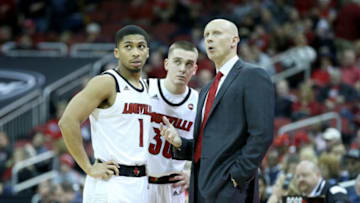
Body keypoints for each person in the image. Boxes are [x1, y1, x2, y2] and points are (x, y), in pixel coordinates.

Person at [161, 18, 275, 203]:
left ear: (234, 40)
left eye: (216, 33)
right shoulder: (206, 89)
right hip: (200, 188)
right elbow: (209, 146)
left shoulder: (253, 76)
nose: (209, 39)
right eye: (206, 35)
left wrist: (238, 177)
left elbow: (262, 134)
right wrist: (180, 143)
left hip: (231, 189)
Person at [58, 25, 151, 203]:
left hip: (140, 183)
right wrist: (88, 167)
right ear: (117, 52)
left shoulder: (147, 88)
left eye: (141, 46)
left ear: (147, 52)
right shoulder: (106, 82)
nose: (135, 52)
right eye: (128, 46)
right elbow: (68, 121)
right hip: (111, 182)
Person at [147, 41, 199, 202]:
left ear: (195, 70)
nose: (183, 69)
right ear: (167, 64)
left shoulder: (199, 103)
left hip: (173, 188)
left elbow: (203, 147)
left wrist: (193, 172)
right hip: (139, 181)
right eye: (177, 62)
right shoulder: (145, 89)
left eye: (189, 64)